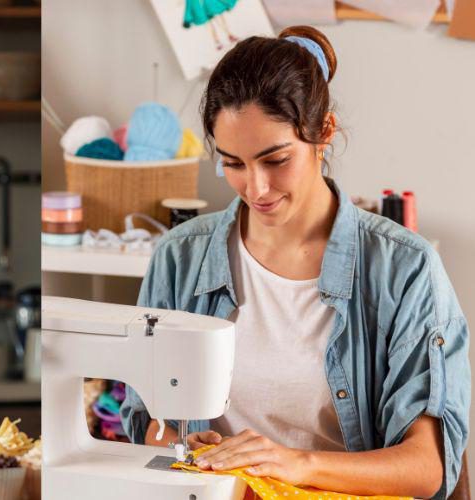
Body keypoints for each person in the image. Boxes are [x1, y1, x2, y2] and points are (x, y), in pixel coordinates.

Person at [120, 26, 469, 499]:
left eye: (276, 159)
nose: (256, 188)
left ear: (323, 132)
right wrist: (185, 445)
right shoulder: (179, 258)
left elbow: (427, 466)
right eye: (234, 164)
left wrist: (294, 465)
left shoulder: (405, 269)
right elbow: (148, 418)